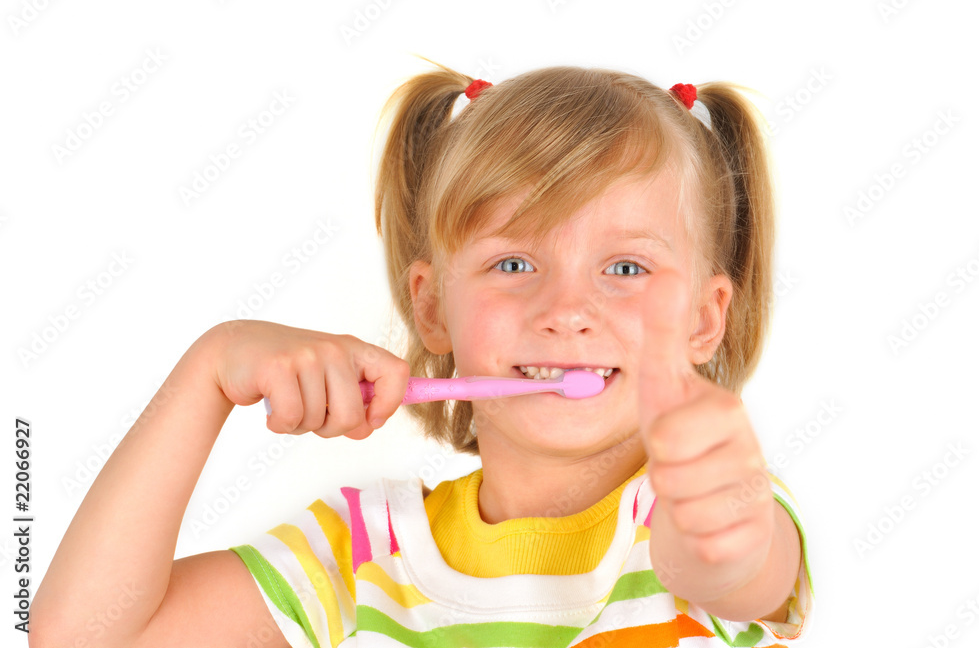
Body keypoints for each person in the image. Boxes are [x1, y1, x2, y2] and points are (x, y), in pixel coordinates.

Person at [30, 58, 814, 647]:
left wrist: (720, 507)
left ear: (705, 319)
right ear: (433, 305)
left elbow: (731, 565)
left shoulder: (693, 508)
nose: (567, 310)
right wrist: (209, 368)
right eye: (514, 264)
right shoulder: (363, 549)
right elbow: (81, 638)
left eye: (625, 268)